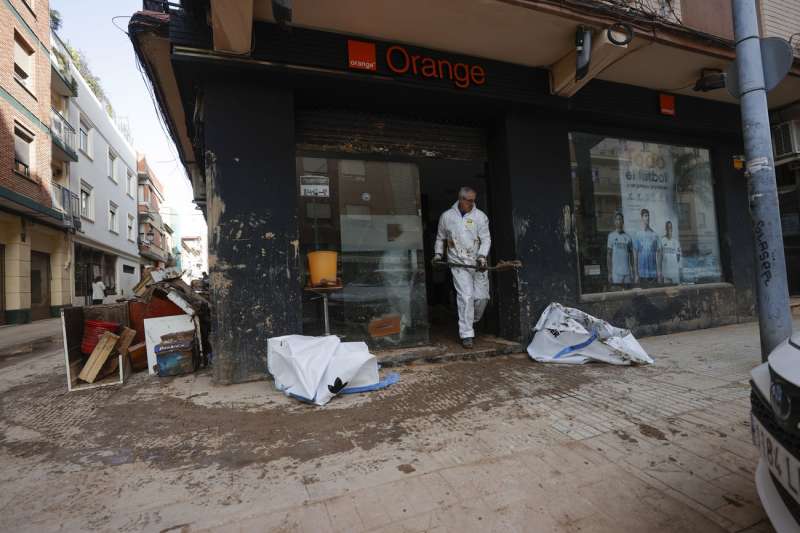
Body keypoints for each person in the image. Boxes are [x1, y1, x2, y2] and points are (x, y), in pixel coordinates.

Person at [433, 186, 491, 348]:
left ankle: (469, 318)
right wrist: (438, 255)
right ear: (461, 199)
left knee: (481, 298)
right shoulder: (447, 216)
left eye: (474, 200)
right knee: (466, 297)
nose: (473, 203)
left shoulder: (480, 217)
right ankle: (466, 334)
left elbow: (486, 239)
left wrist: (481, 256)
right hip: (457, 263)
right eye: (469, 201)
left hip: (478, 263)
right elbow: (440, 238)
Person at [633, 208, 660, 284]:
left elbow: (658, 255)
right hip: (641, 274)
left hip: (653, 273)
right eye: (645, 216)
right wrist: (636, 274)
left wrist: (658, 273)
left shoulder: (654, 235)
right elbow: (635, 256)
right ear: (642, 218)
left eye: (648, 216)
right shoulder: (638, 235)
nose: (647, 218)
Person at [606, 212, 634, 285]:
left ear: (623, 222)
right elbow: (609, 255)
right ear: (614, 222)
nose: (619, 221)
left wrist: (633, 271)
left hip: (627, 273)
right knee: (618, 294)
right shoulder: (611, 236)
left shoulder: (628, 237)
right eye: (617, 219)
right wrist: (609, 273)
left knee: (628, 295)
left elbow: (631, 256)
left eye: (620, 219)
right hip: (616, 273)